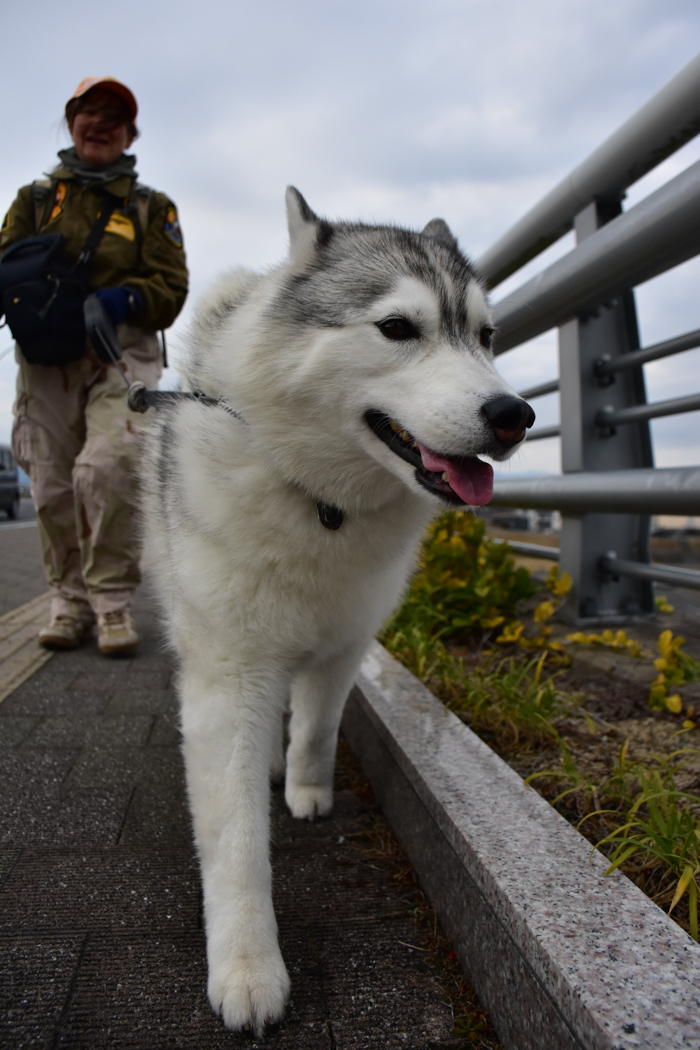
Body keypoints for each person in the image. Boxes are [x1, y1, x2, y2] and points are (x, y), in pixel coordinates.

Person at [0, 77, 188, 654]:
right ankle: (68, 602)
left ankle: (111, 603)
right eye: (89, 112)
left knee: (106, 468)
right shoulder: (35, 200)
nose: (100, 123)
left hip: (118, 352)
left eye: (115, 116)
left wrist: (126, 298)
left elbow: (172, 285)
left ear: (131, 133)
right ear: (71, 122)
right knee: (52, 484)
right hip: (45, 358)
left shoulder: (151, 207)